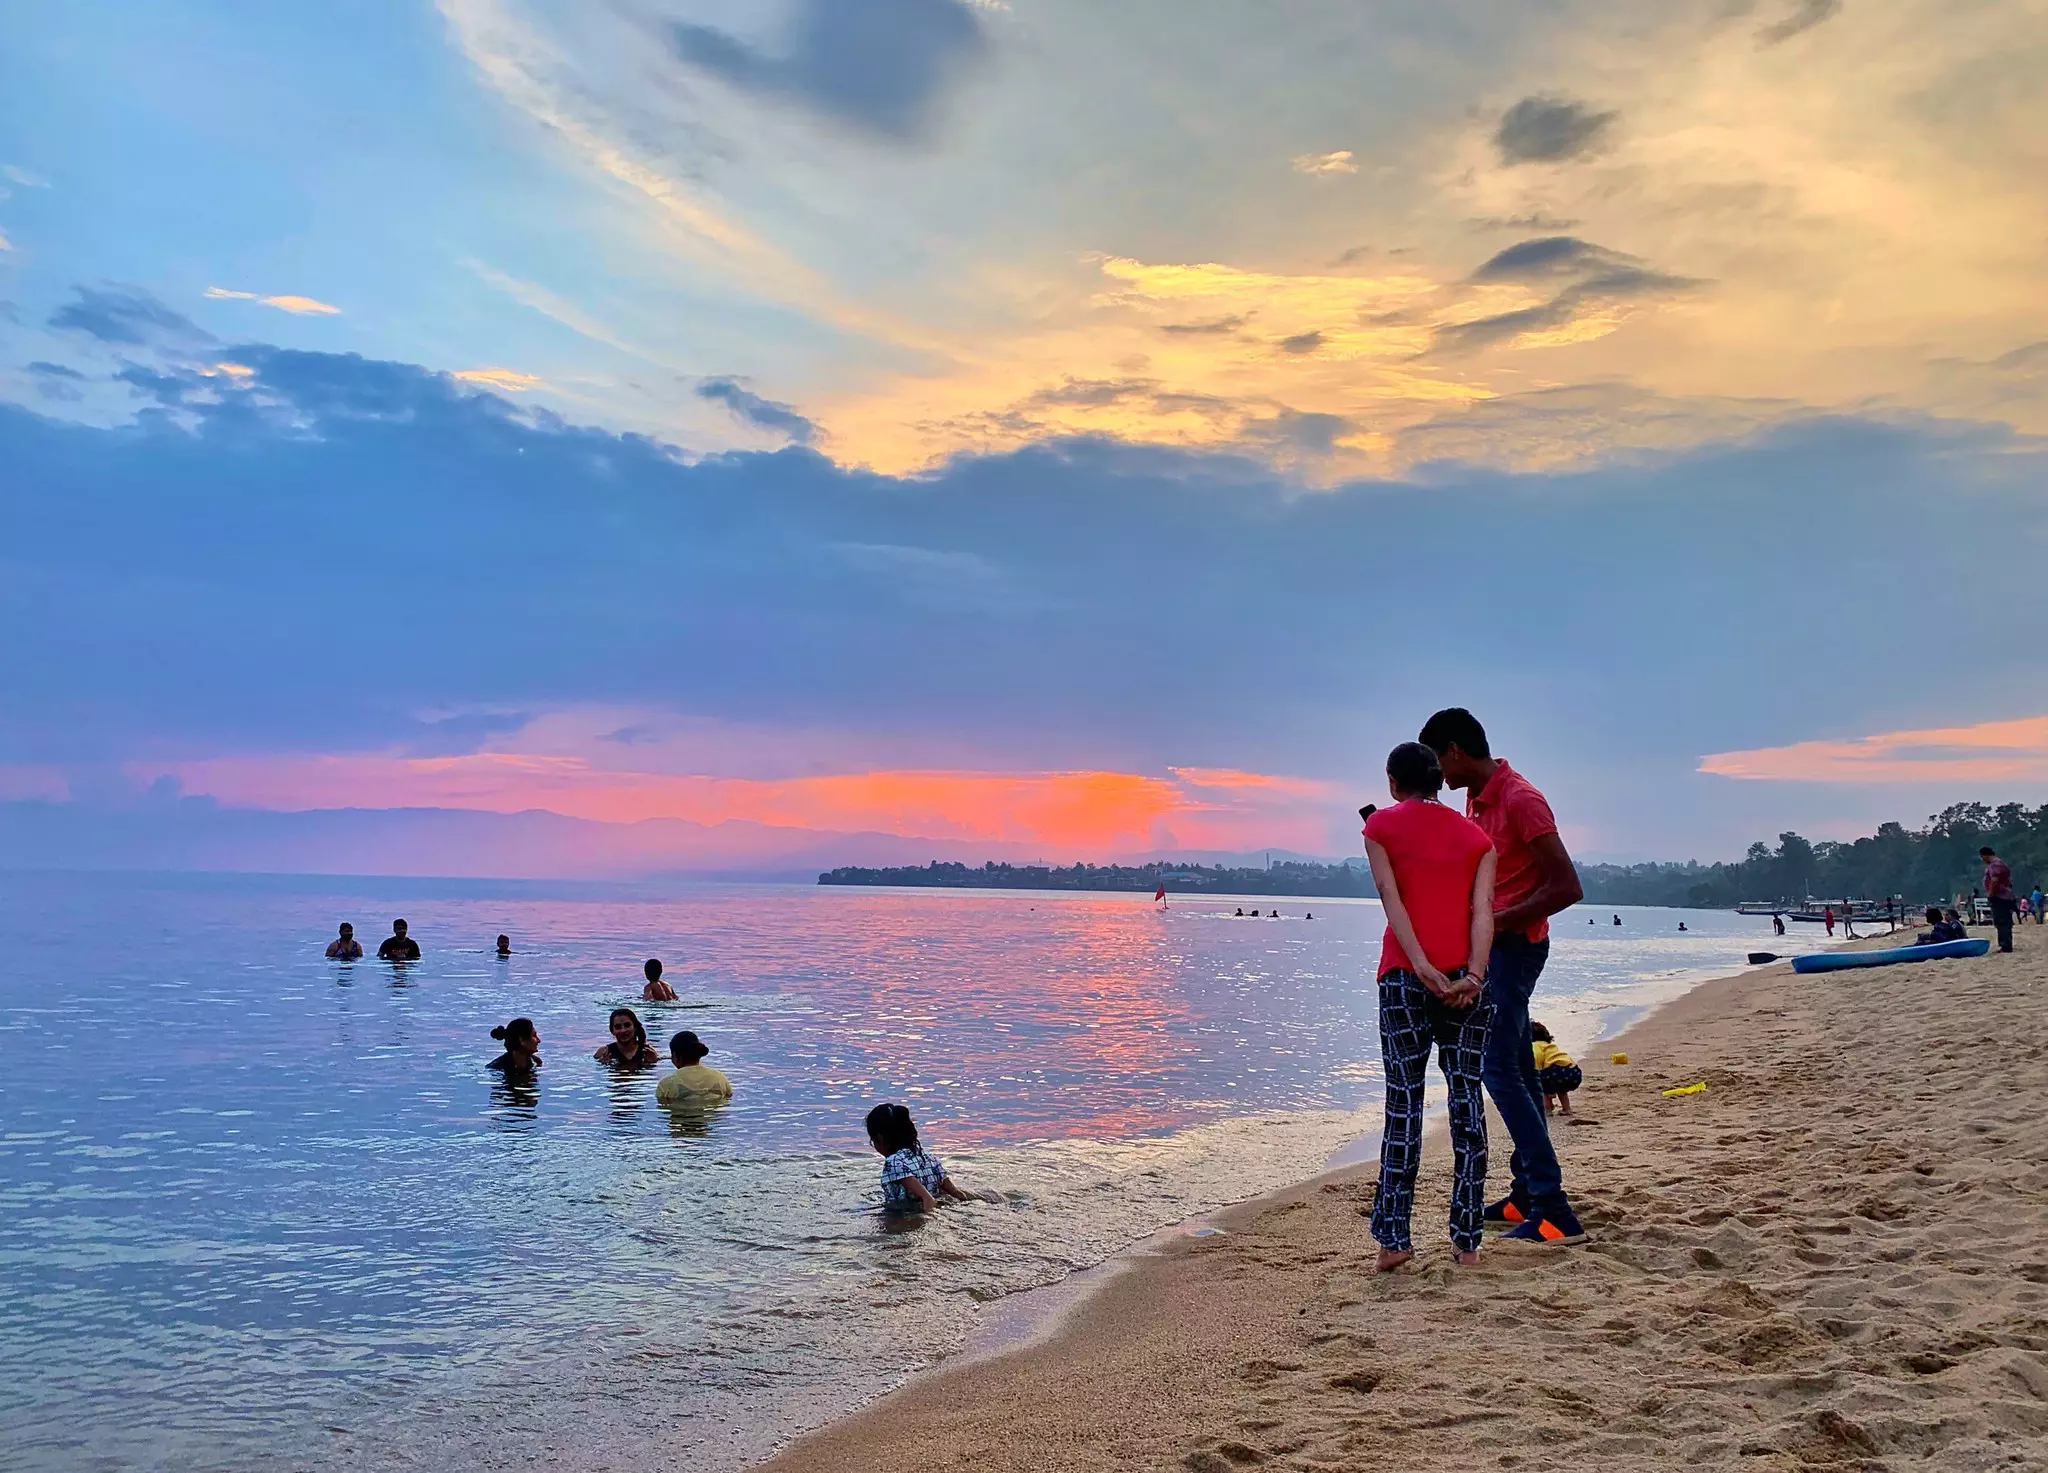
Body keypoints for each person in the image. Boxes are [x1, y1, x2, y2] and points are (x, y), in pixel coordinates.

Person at [1420, 707, 1587, 1246]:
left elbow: (1566, 887)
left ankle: (1555, 1211)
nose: (1439, 777)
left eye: (1438, 762)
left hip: (1515, 950)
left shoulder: (1520, 799)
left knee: (1498, 1070)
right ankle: (1524, 1196)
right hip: (1493, 951)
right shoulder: (1477, 797)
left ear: (1454, 751)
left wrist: (1494, 923)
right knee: (1517, 1066)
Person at [1360, 740, 1498, 1271]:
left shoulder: (1380, 829)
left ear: (1393, 783)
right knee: (1466, 1101)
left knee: (1405, 1106)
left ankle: (1394, 1241)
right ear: (1440, 780)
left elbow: (1390, 898)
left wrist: (1420, 967)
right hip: (1465, 980)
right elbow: (1481, 912)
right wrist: (1475, 976)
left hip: (1402, 978)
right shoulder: (1478, 838)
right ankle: (1467, 1241)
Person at [866, 1102, 977, 1212]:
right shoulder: (930, 1158)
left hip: (906, 1217)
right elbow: (958, 1194)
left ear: (880, 1138)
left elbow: (928, 1199)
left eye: (872, 1140)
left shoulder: (893, 1162)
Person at [655, 1030, 732, 1105]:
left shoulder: (666, 1083)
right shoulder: (720, 1078)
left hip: (680, 1117)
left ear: (674, 1055)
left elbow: (663, 1108)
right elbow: (728, 1098)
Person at [1529, 1022, 1581, 1116]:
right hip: (1573, 1070)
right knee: (1562, 1089)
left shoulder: (1535, 1045)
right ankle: (1566, 1108)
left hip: (1556, 1072)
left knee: (1541, 1084)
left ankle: (1547, 1107)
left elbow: (1537, 1061)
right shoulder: (1549, 1046)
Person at [593, 1007, 661, 1068]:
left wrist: (651, 1064)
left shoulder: (648, 1052)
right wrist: (603, 1065)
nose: (623, 1030)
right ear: (612, 1031)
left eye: (627, 1025)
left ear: (635, 1027)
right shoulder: (603, 1052)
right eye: (618, 1027)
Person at [1982, 847, 2017, 953]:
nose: (1983, 860)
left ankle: (2005, 945)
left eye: (1983, 857)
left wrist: (1991, 894)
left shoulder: (1995, 864)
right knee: (2002, 920)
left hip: (2000, 896)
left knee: (2002, 920)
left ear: (1985, 855)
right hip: (2004, 896)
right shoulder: (1999, 864)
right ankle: (2005, 943)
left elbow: (1995, 880)